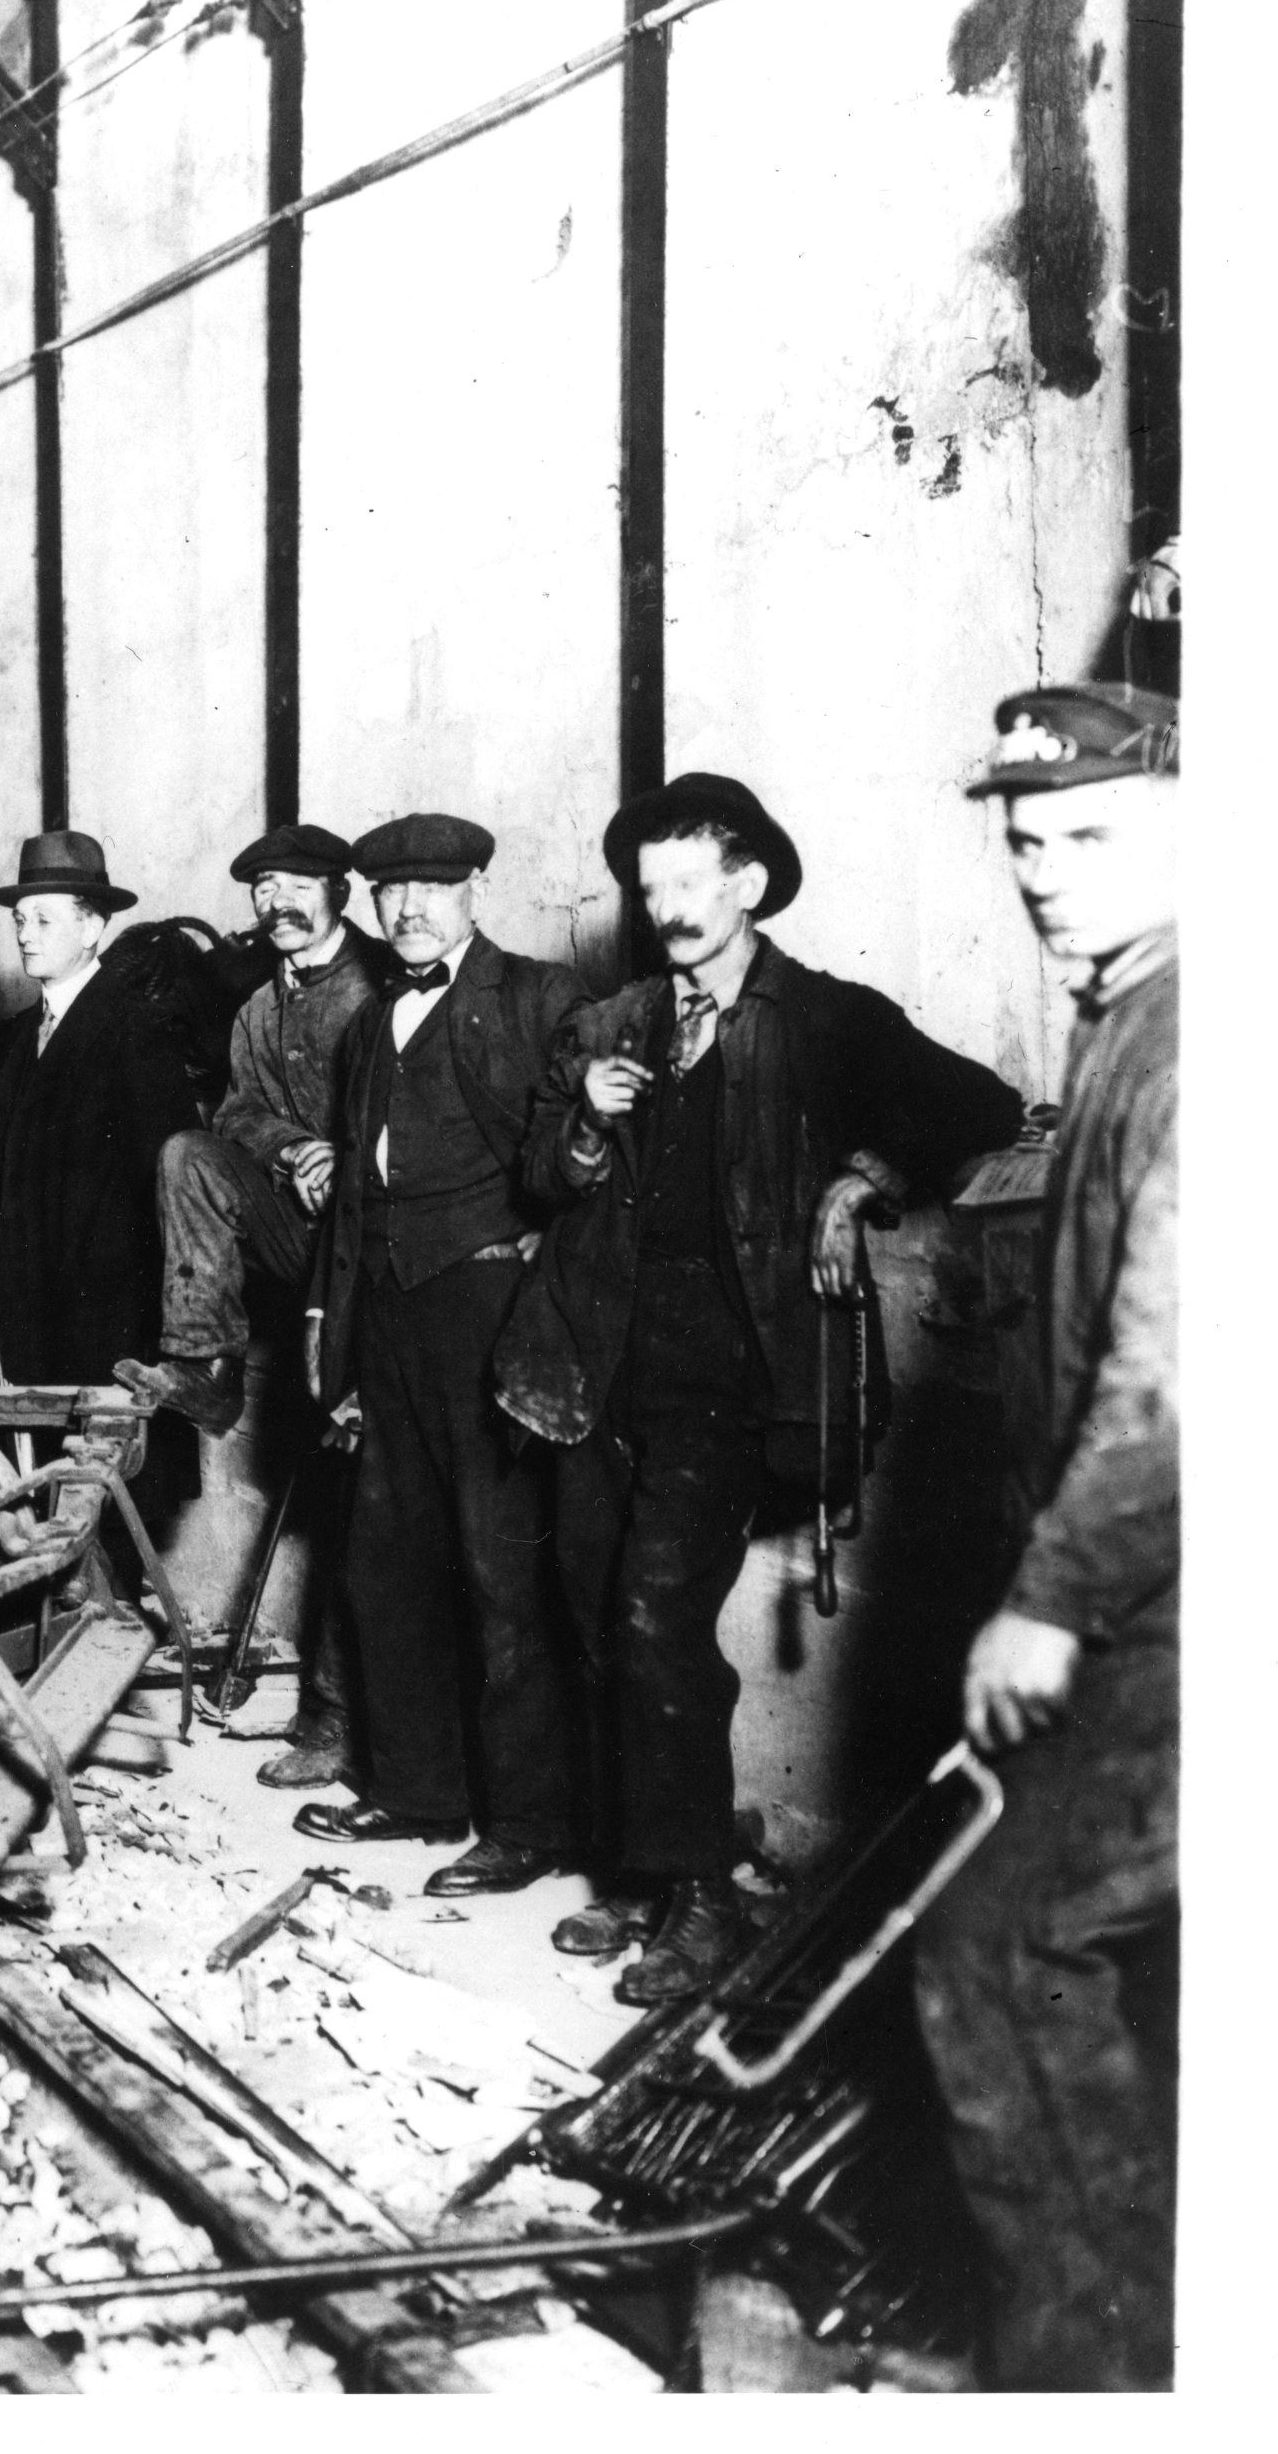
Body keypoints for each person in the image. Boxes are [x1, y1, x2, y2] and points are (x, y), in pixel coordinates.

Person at [495, 776, 1020, 2003]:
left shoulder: (821, 1016)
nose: (669, 908)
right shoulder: (610, 1018)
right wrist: (580, 1119)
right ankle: (642, 1865)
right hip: (595, 1358)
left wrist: (858, 1179)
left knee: (653, 1618)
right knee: (588, 1606)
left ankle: (698, 1902)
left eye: (692, 883)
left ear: (746, 886)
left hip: (730, 1374)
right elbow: (538, 1177)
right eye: (651, 887)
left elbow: (980, 1103)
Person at [912, 683, 1178, 2390]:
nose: (1046, 870)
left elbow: (1183, 1369)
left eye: (1092, 834)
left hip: (1171, 1596)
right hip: (1151, 1577)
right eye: (1023, 838)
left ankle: (1102, 2380)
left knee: (998, 1950)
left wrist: (1051, 1600)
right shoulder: (1130, 1020)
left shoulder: (1194, 1038)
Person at [294, 814, 590, 1897]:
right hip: (391, 1314)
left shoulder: (538, 996)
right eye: (390, 892)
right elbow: (356, 1202)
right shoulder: (369, 1025)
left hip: (490, 1311)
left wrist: (538, 1292)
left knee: (501, 1567)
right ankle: (417, 1789)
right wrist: (339, 1348)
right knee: (386, 1558)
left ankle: (526, 1819)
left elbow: (578, 1162)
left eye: (433, 887)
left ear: (474, 889)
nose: (409, 908)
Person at [127, 823, 395, 1790]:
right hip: (297, 1237)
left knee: (366, 1502)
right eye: (262, 889)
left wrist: (343, 1155)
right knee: (185, 1154)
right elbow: (233, 1113)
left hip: (380, 1251)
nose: (275, 904)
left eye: (296, 886)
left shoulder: (385, 985)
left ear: (338, 892)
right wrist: (292, 1150)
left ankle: (347, 1725)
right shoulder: (254, 1007)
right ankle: (208, 1364)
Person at [0, 833, 207, 1388]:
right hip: (15, 1322)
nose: (25, 936)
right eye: (19, 920)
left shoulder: (138, 1034)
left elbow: (165, 1199)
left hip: (101, 1330)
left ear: (91, 928)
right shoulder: (16, 1038)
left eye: (43, 920)